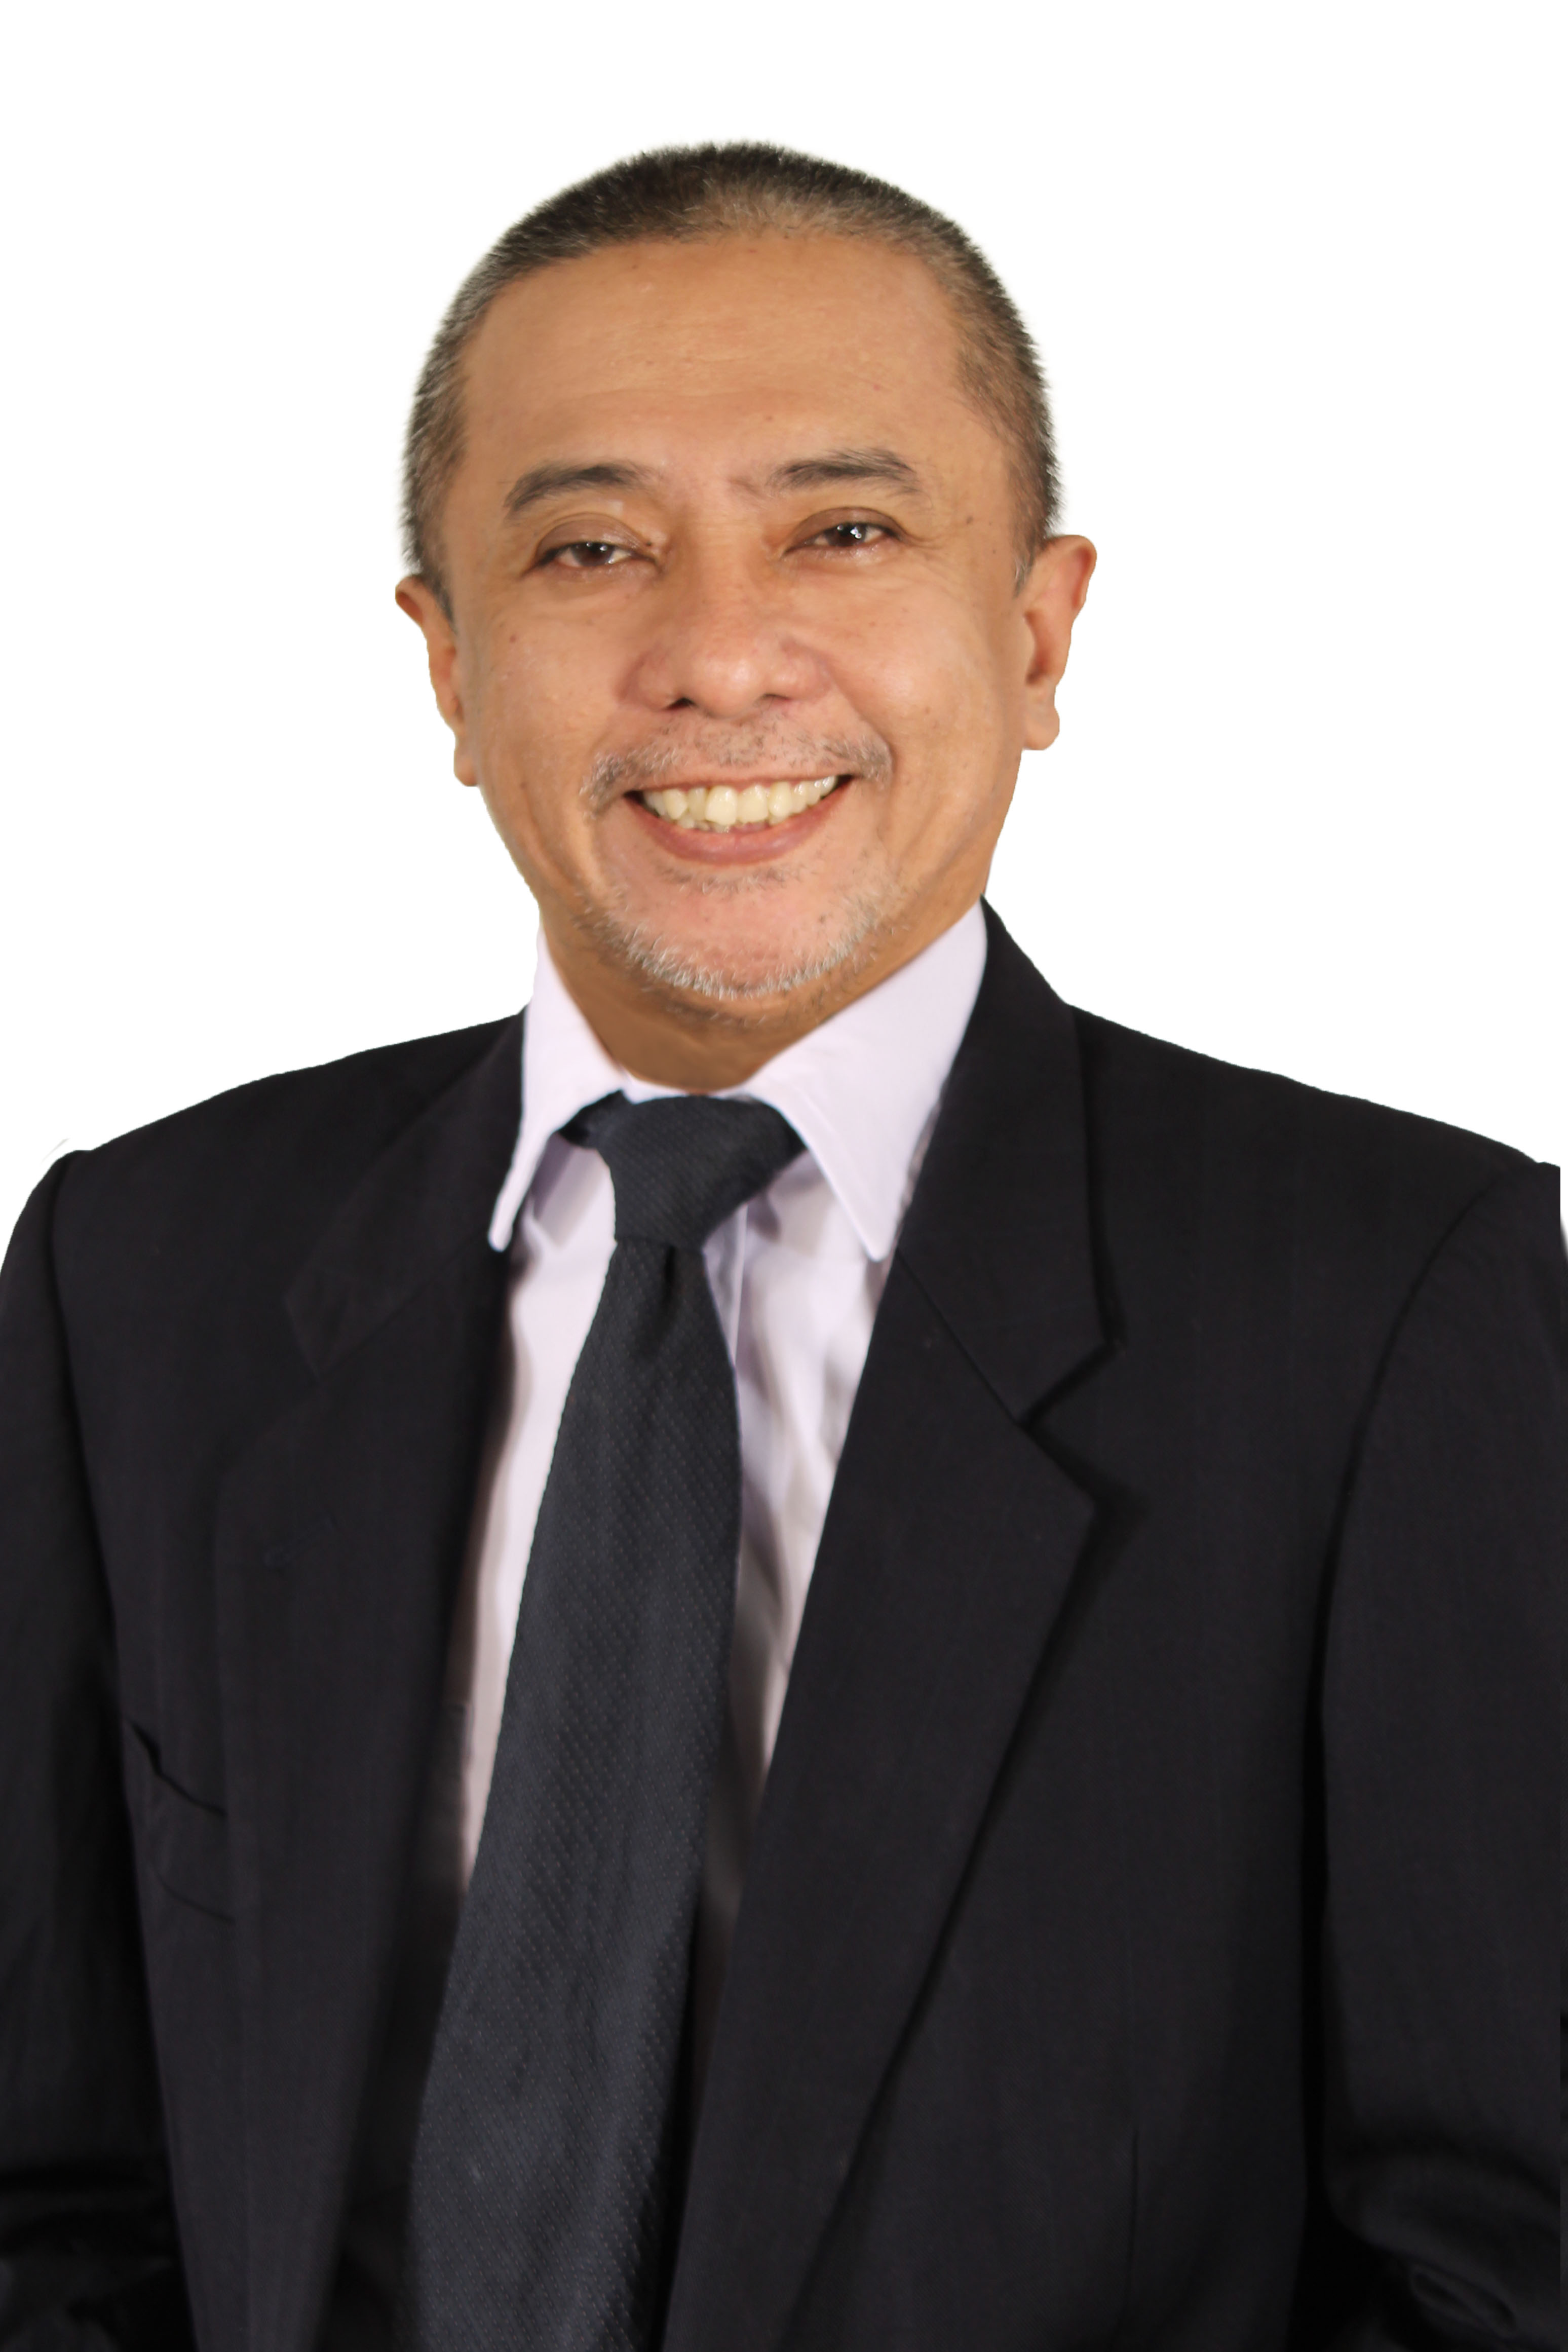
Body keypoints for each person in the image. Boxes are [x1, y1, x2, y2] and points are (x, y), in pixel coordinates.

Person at [0, 143, 1557, 2352]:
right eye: (590, 548)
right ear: (450, 668)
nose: (721, 656)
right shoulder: (140, 1271)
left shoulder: (1395, 1298)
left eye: (844, 531)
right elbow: (45, 2188)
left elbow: (1505, 2260)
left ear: (1038, 629)